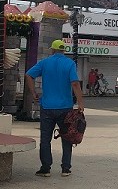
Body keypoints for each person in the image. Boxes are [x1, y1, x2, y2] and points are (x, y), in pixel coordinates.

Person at [25, 39, 84, 178]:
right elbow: (75, 83)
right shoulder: (69, 63)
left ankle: (45, 168)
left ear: (52, 50)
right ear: (63, 50)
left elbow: (28, 74)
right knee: (67, 138)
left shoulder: (45, 63)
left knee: (45, 139)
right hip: (65, 108)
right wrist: (80, 103)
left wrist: (33, 93)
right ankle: (65, 168)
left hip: (47, 107)